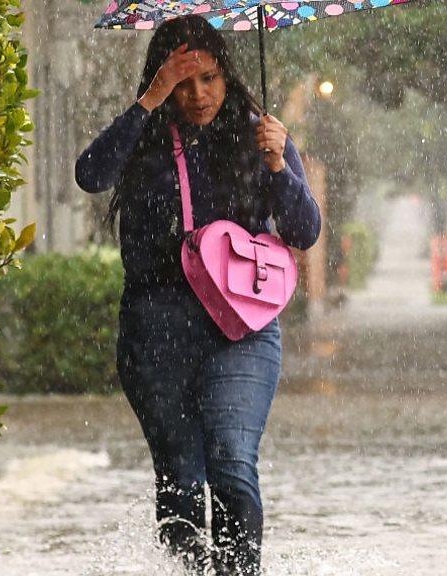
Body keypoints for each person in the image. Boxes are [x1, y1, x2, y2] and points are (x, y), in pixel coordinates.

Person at [75, 15, 320, 575]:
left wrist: (279, 165)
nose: (198, 94)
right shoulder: (144, 141)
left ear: (227, 76)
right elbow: (90, 174)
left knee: (232, 464)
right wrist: (149, 99)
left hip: (242, 331)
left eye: (208, 78)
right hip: (155, 332)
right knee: (182, 480)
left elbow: (304, 231)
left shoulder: (261, 136)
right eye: (183, 82)